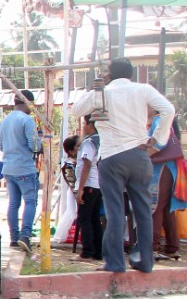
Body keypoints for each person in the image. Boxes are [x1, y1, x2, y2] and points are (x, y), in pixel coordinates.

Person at [72, 58, 175, 273]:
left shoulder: (103, 92)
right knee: (143, 211)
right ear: (131, 73)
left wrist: (95, 87)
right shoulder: (143, 89)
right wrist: (156, 139)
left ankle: (115, 263)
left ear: (110, 73)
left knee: (115, 211)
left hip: (111, 157)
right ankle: (145, 262)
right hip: (139, 155)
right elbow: (168, 109)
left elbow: (77, 110)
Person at [0, 89, 41, 253]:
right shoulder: (27, 120)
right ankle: (25, 236)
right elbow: (34, 146)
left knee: (14, 203)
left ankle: (14, 238)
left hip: (8, 167)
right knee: (30, 202)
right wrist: (41, 144)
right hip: (24, 167)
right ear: (27, 102)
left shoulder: (5, 120)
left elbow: (1, 146)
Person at [149, 116, 183, 261]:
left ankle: (153, 246)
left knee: (156, 206)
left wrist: (145, 152)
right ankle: (172, 247)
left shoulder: (159, 120)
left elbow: (161, 143)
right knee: (166, 208)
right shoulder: (163, 119)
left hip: (162, 167)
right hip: (169, 168)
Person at [75, 115, 104, 261]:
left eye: (84, 124)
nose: (83, 127)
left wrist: (80, 189)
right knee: (94, 219)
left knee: (84, 218)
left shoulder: (90, 142)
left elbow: (87, 164)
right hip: (98, 185)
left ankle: (87, 252)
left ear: (91, 125)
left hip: (89, 184)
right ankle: (98, 251)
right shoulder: (102, 140)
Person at [54, 135, 80, 244]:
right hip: (77, 193)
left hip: (77, 192)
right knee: (72, 213)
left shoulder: (74, 162)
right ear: (71, 150)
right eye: (78, 146)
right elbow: (74, 184)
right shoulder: (71, 165)